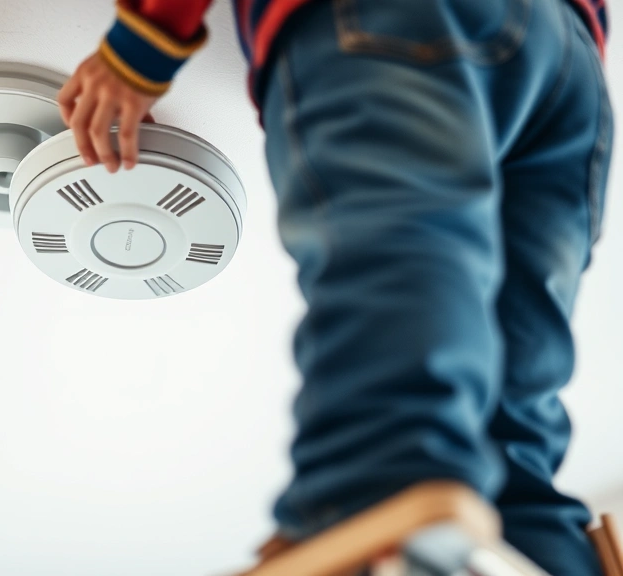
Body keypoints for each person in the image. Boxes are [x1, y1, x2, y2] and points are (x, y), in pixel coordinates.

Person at [56, 0, 613, 574]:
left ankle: (374, 493)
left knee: (405, 243)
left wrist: (139, 50)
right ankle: (536, 544)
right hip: (569, 62)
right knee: (518, 340)